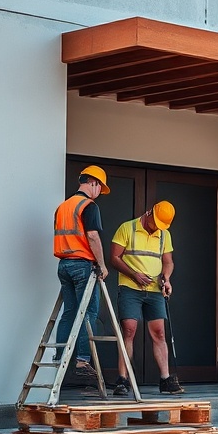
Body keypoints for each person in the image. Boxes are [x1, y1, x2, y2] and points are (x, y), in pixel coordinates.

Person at [108, 201, 184, 395]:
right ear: (149, 213)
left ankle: (165, 379)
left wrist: (166, 278)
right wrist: (135, 274)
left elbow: (168, 261)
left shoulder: (164, 234)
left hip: (155, 291)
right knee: (129, 331)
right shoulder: (127, 228)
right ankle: (123, 380)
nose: (157, 228)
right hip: (130, 288)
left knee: (159, 333)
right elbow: (114, 258)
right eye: (155, 223)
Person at [53, 165, 110, 382]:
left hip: (64, 265)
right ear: (93, 182)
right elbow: (93, 237)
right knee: (89, 313)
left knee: (69, 312)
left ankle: (59, 356)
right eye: (100, 188)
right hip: (82, 265)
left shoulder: (62, 207)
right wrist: (102, 265)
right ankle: (83, 360)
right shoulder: (89, 205)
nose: (99, 193)